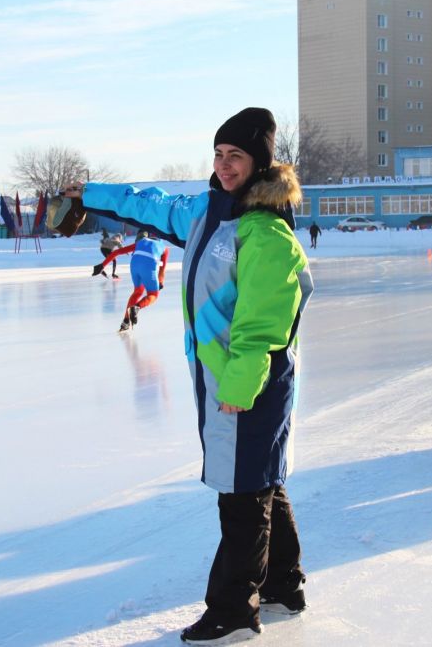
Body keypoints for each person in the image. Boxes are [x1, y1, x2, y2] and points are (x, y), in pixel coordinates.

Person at [53, 107, 314, 642]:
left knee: (242, 497)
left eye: (236, 156)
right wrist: (90, 195)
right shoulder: (207, 212)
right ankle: (284, 586)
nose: (224, 165)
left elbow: (263, 326)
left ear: (259, 163)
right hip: (221, 375)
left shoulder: (265, 234)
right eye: (218, 155)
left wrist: (239, 390)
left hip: (250, 379)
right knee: (260, 480)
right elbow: (150, 205)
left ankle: (234, 612)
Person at [93, 230, 169, 332]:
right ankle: (137, 307)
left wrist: (102, 265)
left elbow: (116, 252)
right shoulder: (164, 247)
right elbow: (162, 270)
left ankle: (125, 321)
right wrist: (160, 283)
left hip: (134, 263)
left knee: (137, 292)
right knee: (153, 294)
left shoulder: (140, 242)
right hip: (149, 263)